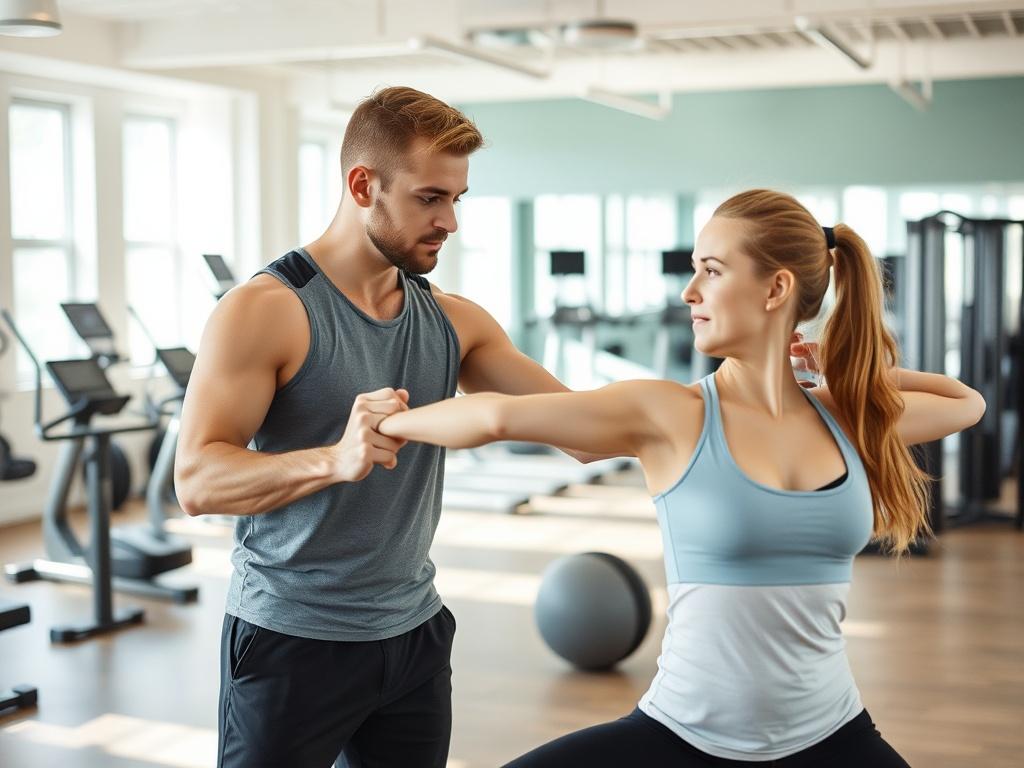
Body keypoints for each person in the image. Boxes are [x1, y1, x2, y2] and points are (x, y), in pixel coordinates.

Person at [379, 189, 986, 767]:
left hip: (831, 736)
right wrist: (393, 423)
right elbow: (496, 415)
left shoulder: (845, 418)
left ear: (776, 288)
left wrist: (843, 367)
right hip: (682, 738)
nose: (690, 292)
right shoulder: (673, 413)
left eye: (713, 271)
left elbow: (965, 403)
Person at [174, 86, 604, 768]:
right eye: (430, 198)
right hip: (292, 642)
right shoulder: (267, 310)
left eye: (457, 199)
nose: (450, 222)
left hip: (414, 639)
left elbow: (587, 430)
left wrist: (763, 384)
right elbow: (196, 480)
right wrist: (334, 459)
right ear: (363, 184)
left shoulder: (454, 321)